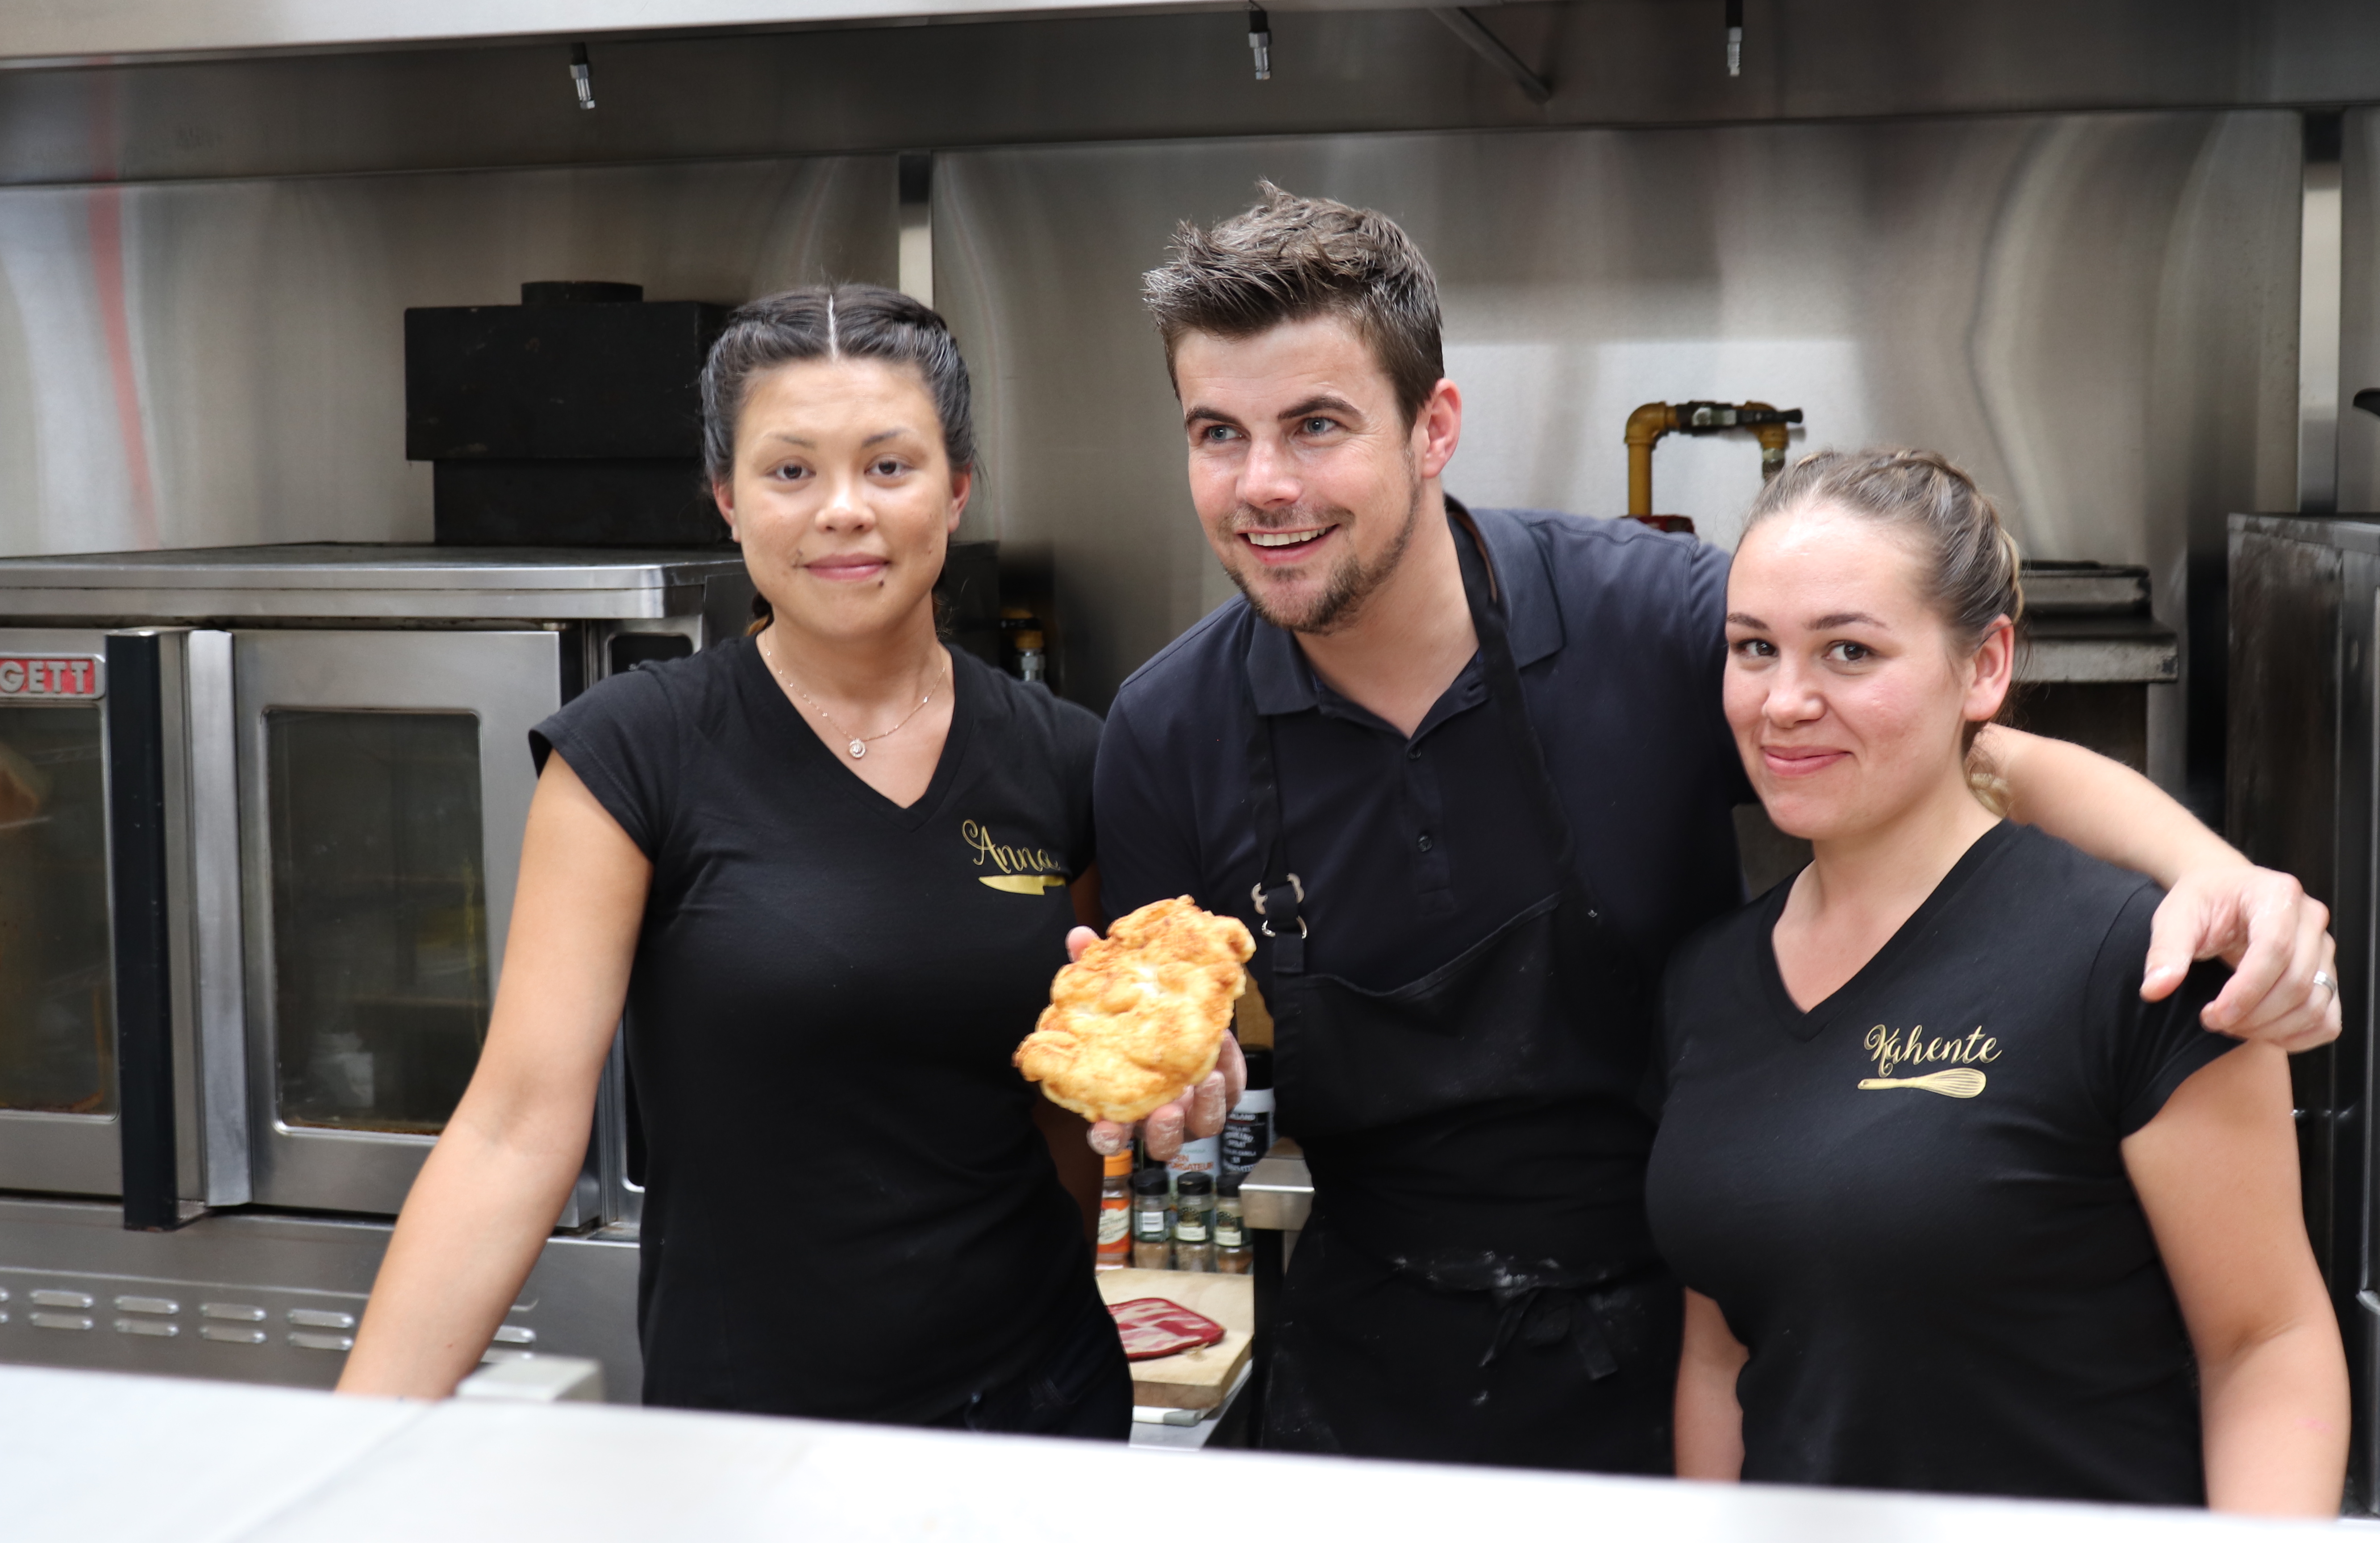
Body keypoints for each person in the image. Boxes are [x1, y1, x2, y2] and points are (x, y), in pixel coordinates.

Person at [1086, 185, 2342, 1471]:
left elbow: (1969, 755)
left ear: (1433, 427)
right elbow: (1176, 1061)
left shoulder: (1648, 618)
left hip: (1686, 1322)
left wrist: (2219, 877)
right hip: (1368, 1368)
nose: (1264, 485)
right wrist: (1176, 1098)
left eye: (1315, 425)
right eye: (1216, 434)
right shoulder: (1164, 734)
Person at [339, 285, 1132, 1437]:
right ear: (726, 499)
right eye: (790, 470)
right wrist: (344, 1453)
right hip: (755, 1433)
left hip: (1034, 1415)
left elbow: (1071, 1112)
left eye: (890, 466)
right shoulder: (633, 751)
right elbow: (514, 1127)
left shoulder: (1066, 759)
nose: (843, 512)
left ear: (957, 489)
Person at [1648, 448, 2347, 1512]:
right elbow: (1721, 1353)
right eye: (1754, 649)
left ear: (1983, 668)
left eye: (1847, 650)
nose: (1783, 701)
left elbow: (2266, 1342)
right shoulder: (1705, 983)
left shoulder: (2137, 960)